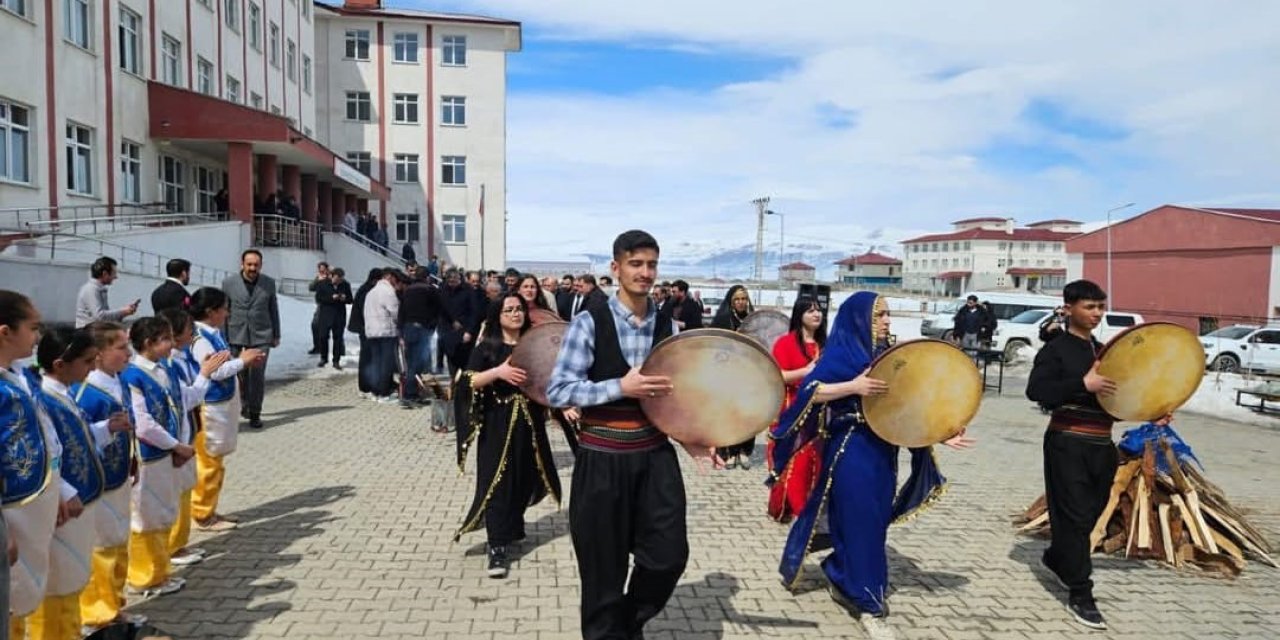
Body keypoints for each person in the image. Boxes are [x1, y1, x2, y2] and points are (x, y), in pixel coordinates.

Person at [546, 230, 720, 640]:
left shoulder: (668, 325)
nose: (645, 273)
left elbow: (675, 397)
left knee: (667, 557)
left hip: (655, 459)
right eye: (636, 264)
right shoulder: (589, 323)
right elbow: (558, 391)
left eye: (651, 265)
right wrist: (620, 387)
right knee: (602, 574)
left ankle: (623, 625)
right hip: (601, 460)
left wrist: (691, 441)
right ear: (616, 268)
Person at [770, 292, 973, 637]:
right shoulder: (842, 354)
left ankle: (840, 572)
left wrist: (939, 434)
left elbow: (908, 404)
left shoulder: (889, 357)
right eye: (879, 315)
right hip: (850, 450)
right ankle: (867, 599)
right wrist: (854, 386)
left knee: (873, 522)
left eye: (888, 314)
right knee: (861, 518)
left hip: (884, 452)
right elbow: (811, 392)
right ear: (859, 319)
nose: (887, 321)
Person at [1026, 279, 1121, 631]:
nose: (1097, 313)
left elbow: (1119, 397)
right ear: (1068, 309)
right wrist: (1083, 384)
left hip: (1102, 445)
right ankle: (1081, 592)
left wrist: (1152, 410)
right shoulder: (1056, 350)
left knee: (1091, 514)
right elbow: (1037, 390)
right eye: (1089, 307)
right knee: (1075, 516)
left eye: (1100, 307)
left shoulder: (1104, 351)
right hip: (1067, 442)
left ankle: (1056, 558)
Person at [453, 293, 564, 578]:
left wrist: (564, 407)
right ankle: (497, 546)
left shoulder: (534, 344)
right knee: (498, 482)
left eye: (519, 309)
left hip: (530, 425)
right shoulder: (488, 346)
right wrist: (498, 372)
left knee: (523, 480)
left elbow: (549, 379)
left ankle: (512, 528)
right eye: (509, 310)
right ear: (498, 316)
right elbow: (467, 382)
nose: (516, 314)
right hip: (497, 424)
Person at [121, 318, 224, 599]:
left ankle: (160, 571)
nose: (172, 344)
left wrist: (204, 375)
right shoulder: (133, 376)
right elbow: (143, 424)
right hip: (151, 457)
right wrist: (176, 446)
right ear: (148, 344)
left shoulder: (165, 369)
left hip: (172, 453)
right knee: (147, 516)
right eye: (165, 339)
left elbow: (185, 399)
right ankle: (143, 577)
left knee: (164, 512)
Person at [31, 326, 120, 640]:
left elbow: (76, 440)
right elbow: (47, 455)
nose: (92, 368)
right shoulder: (44, 400)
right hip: (62, 505)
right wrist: (64, 492)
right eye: (87, 361)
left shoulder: (64, 395)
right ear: (60, 365)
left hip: (78, 500)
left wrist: (107, 428)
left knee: (72, 574)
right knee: (59, 579)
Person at [0, 291, 65, 637]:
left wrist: (59, 489)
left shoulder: (19, 376)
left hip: (30, 513)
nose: (38, 336)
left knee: (22, 594)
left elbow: (46, 438)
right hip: (11, 519)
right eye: (33, 327)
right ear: (5, 332)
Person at [74, 321, 145, 632]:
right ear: (98, 353)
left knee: (117, 540)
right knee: (101, 545)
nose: (128, 353)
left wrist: (132, 457)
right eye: (120, 347)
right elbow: (76, 439)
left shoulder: (119, 381)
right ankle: (96, 612)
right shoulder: (85, 392)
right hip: (97, 483)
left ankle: (115, 604)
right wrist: (107, 429)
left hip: (118, 475)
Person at [189, 289, 263, 534]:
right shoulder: (200, 339)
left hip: (221, 406)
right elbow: (214, 371)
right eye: (224, 308)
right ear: (211, 311)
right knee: (208, 462)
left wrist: (241, 360)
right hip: (210, 408)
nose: (227, 313)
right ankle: (201, 514)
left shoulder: (212, 333)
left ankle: (208, 508)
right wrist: (243, 361)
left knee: (216, 461)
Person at [765, 296, 827, 523]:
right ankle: (791, 505)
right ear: (799, 315)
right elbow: (778, 376)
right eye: (810, 311)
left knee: (814, 459)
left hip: (820, 410)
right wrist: (806, 372)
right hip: (792, 409)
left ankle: (810, 506)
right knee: (794, 458)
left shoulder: (826, 344)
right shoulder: (785, 343)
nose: (816, 314)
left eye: (818, 310)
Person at [221, 249, 280, 430]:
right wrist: (223, 336)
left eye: (256, 265)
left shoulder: (268, 283)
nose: (253, 268)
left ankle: (255, 412)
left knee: (257, 375)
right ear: (242, 264)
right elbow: (224, 310)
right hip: (236, 334)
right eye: (249, 264)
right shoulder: (229, 283)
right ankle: (244, 403)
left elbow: (273, 308)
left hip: (261, 333)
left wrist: (276, 334)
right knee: (239, 373)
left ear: (261, 265)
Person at [712, 285, 756, 468]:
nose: (741, 302)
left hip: (749, 372)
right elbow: (714, 346)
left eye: (744, 299)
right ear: (731, 302)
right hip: (728, 373)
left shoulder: (754, 320)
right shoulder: (723, 320)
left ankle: (744, 450)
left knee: (748, 412)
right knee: (729, 413)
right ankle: (729, 451)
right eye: (737, 299)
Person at [399, 271, 449, 406]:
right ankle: (410, 395)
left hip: (408, 329)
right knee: (416, 364)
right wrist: (432, 326)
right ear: (427, 278)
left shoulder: (407, 290)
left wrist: (401, 332)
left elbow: (401, 312)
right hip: (422, 329)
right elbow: (440, 309)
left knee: (411, 362)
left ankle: (412, 392)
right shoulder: (430, 290)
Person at [361, 269, 403, 402]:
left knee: (376, 362)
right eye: (395, 279)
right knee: (386, 363)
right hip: (386, 332)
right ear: (389, 277)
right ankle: (384, 393)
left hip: (372, 331)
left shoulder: (371, 292)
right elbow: (395, 312)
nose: (396, 282)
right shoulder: (388, 291)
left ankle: (375, 391)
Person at [347, 268, 384, 396]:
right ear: (375, 280)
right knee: (367, 357)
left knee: (368, 357)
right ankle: (366, 385)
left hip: (366, 328)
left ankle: (368, 384)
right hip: (365, 328)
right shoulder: (367, 291)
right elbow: (366, 311)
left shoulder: (367, 289)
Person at [439, 269, 481, 378]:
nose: (452, 284)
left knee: (466, 363)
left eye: (454, 281)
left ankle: (464, 384)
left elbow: (474, 312)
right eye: (450, 282)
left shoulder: (468, 290)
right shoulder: (443, 289)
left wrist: (469, 331)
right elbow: (442, 309)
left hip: (464, 330)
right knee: (451, 362)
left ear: (459, 279)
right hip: (448, 331)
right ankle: (454, 383)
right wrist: (451, 321)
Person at [75, 257, 140, 328]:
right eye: (114, 273)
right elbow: (100, 316)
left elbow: (105, 317)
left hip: (96, 330)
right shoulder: (91, 289)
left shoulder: (99, 289)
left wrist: (125, 312)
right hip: (87, 332)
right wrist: (122, 311)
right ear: (105, 274)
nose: (116, 277)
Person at [315, 269, 352, 370]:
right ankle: (323, 358)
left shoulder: (345, 285)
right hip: (325, 315)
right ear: (332, 276)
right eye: (337, 278)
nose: (339, 281)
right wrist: (331, 298)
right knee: (323, 337)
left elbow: (350, 299)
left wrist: (344, 298)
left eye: (341, 279)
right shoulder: (322, 284)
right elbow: (318, 298)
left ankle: (336, 360)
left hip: (339, 315)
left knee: (338, 338)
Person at [307, 262, 331, 357]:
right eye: (320, 270)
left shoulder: (331, 278)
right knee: (315, 325)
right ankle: (317, 347)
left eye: (323, 270)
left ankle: (336, 349)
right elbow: (311, 288)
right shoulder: (318, 278)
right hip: (320, 305)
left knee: (331, 328)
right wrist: (318, 280)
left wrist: (326, 279)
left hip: (330, 306)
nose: (322, 272)